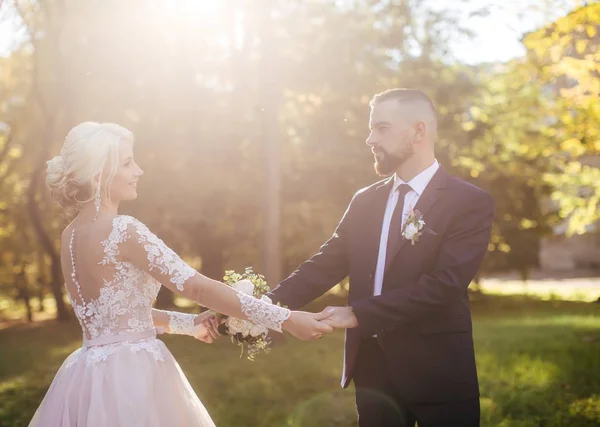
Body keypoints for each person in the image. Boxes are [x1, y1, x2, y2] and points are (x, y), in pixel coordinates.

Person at [29, 122, 333, 427]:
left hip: (86, 376)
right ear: (98, 174)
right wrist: (284, 319)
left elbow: (118, 316)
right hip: (135, 376)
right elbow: (197, 288)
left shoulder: (69, 236)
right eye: (127, 163)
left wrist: (189, 324)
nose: (139, 170)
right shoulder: (123, 229)